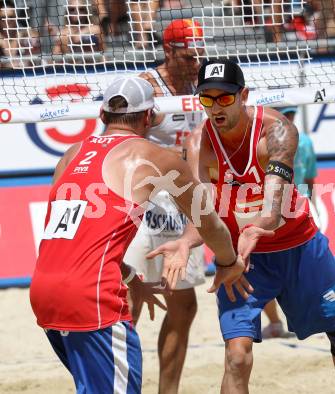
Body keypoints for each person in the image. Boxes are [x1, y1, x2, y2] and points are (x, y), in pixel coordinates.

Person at [152, 59, 335, 393]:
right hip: (242, 261)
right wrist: (186, 240)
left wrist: (255, 227)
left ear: (243, 95)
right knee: (236, 356)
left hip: (298, 246)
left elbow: (273, 207)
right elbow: (204, 211)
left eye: (224, 98)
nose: (215, 106)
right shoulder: (198, 143)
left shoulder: (277, 130)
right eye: (207, 98)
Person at [29, 76, 246, 394]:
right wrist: (229, 261)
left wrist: (130, 277)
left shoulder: (72, 154)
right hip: (91, 297)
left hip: (45, 293)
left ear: (102, 116)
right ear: (149, 118)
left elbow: (77, 238)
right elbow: (208, 222)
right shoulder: (155, 156)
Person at [123, 18, 206, 394]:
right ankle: (119, 384)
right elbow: (121, 140)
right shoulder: (147, 87)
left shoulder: (200, 83)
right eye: (188, 55)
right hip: (145, 204)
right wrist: (171, 157)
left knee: (183, 305)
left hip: (182, 203)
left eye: (198, 55)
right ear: (168, 51)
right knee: (128, 299)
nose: (195, 62)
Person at [262, 105, 319, 340]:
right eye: (289, 114)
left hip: (281, 204)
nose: (290, 117)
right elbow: (310, 179)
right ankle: (302, 321)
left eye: (291, 114)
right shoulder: (303, 140)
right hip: (296, 203)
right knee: (303, 269)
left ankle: (277, 322)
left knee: (263, 267)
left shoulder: (262, 139)